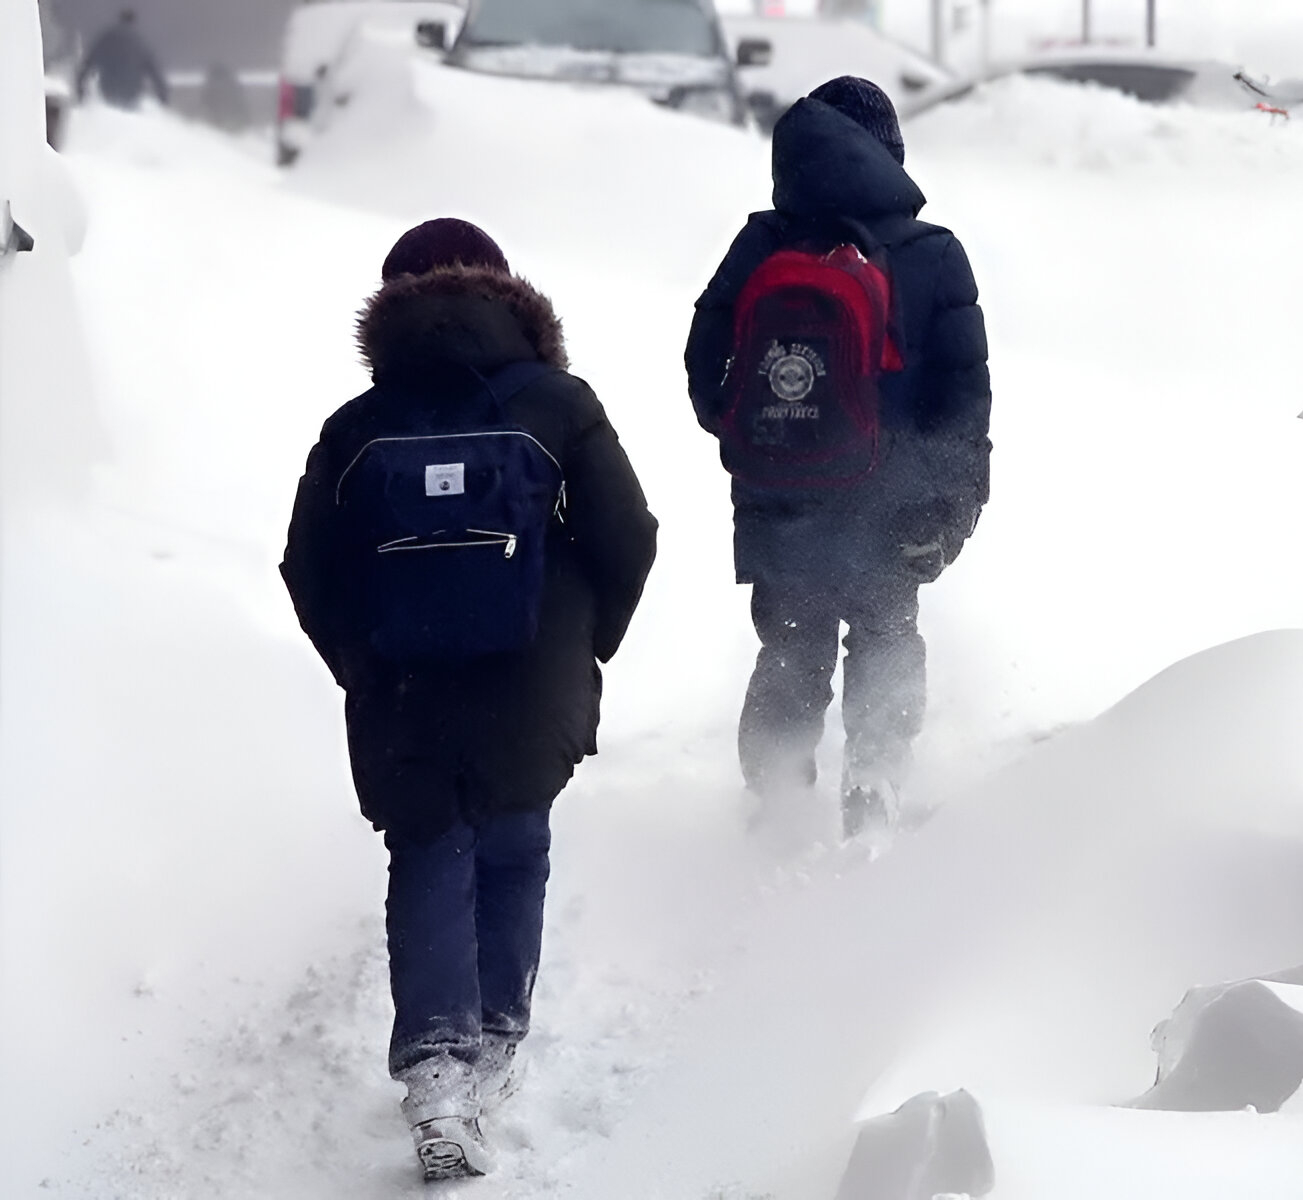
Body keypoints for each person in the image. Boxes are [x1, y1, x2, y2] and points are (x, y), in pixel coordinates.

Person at [281, 219, 657, 1180]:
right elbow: (630, 535)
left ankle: (439, 1071)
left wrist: (360, 661)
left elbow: (308, 566)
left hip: (402, 681)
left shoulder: (357, 427)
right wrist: (585, 641)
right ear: (506, 294)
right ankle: (496, 1039)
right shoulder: (560, 405)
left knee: (429, 851)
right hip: (533, 671)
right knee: (514, 841)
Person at [685, 76, 991, 837]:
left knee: (791, 638)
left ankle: (777, 800)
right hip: (895, 494)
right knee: (887, 631)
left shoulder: (760, 244)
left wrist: (750, 440)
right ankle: (876, 787)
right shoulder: (932, 253)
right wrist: (956, 505)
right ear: (888, 153)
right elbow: (962, 397)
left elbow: (704, 363)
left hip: (779, 491)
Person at [76, 9, 169, 110]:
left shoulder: (107, 38)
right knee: (129, 115)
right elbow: (154, 71)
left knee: (110, 112)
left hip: (108, 89)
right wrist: (163, 96)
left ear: (120, 19)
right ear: (133, 21)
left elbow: (89, 63)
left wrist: (80, 87)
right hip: (132, 92)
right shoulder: (141, 42)